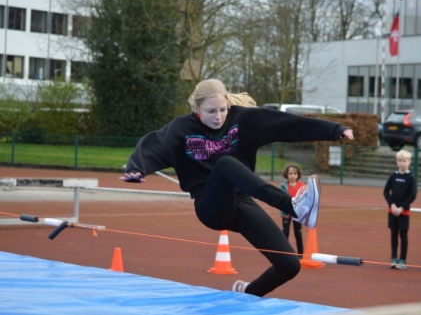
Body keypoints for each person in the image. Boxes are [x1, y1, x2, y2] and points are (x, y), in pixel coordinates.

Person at [120, 78, 354, 297]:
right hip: (210, 206)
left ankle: (247, 293)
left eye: (223, 110)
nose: (218, 117)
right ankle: (293, 207)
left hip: (241, 203)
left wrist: (334, 130)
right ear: (196, 109)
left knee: (289, 264)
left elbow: (286, 124)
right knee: (225, 165)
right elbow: (153, 145)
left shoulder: (243, 120)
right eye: (211, 111)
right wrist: (136, 169)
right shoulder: (181, 129)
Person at [383, 149, 417, 270]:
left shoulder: (411, 178)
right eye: (400, 161)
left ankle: (402, 259)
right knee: (393, 234)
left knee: (403, 235)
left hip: (404, 212)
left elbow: (412, 195)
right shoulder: (393, 176)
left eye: (405, 161)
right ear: (397, 162)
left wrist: (402, 207)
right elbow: (386, 192)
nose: (402, 163)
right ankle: (393, 258)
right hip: (392, 211)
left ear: (409, 162)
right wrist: (391, 205)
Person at [279, 164, 305, 258]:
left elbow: (306, 199)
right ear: (287, 174)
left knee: (298, 233)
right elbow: (281, 198)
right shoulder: (283, 186)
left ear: (298, 175)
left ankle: (300, 254)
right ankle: (284, 252)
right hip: (286, 213)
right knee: (285, 232)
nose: (292, 175)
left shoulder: (302, 186)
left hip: (298, 214)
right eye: (290, 173)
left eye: (295, 173)